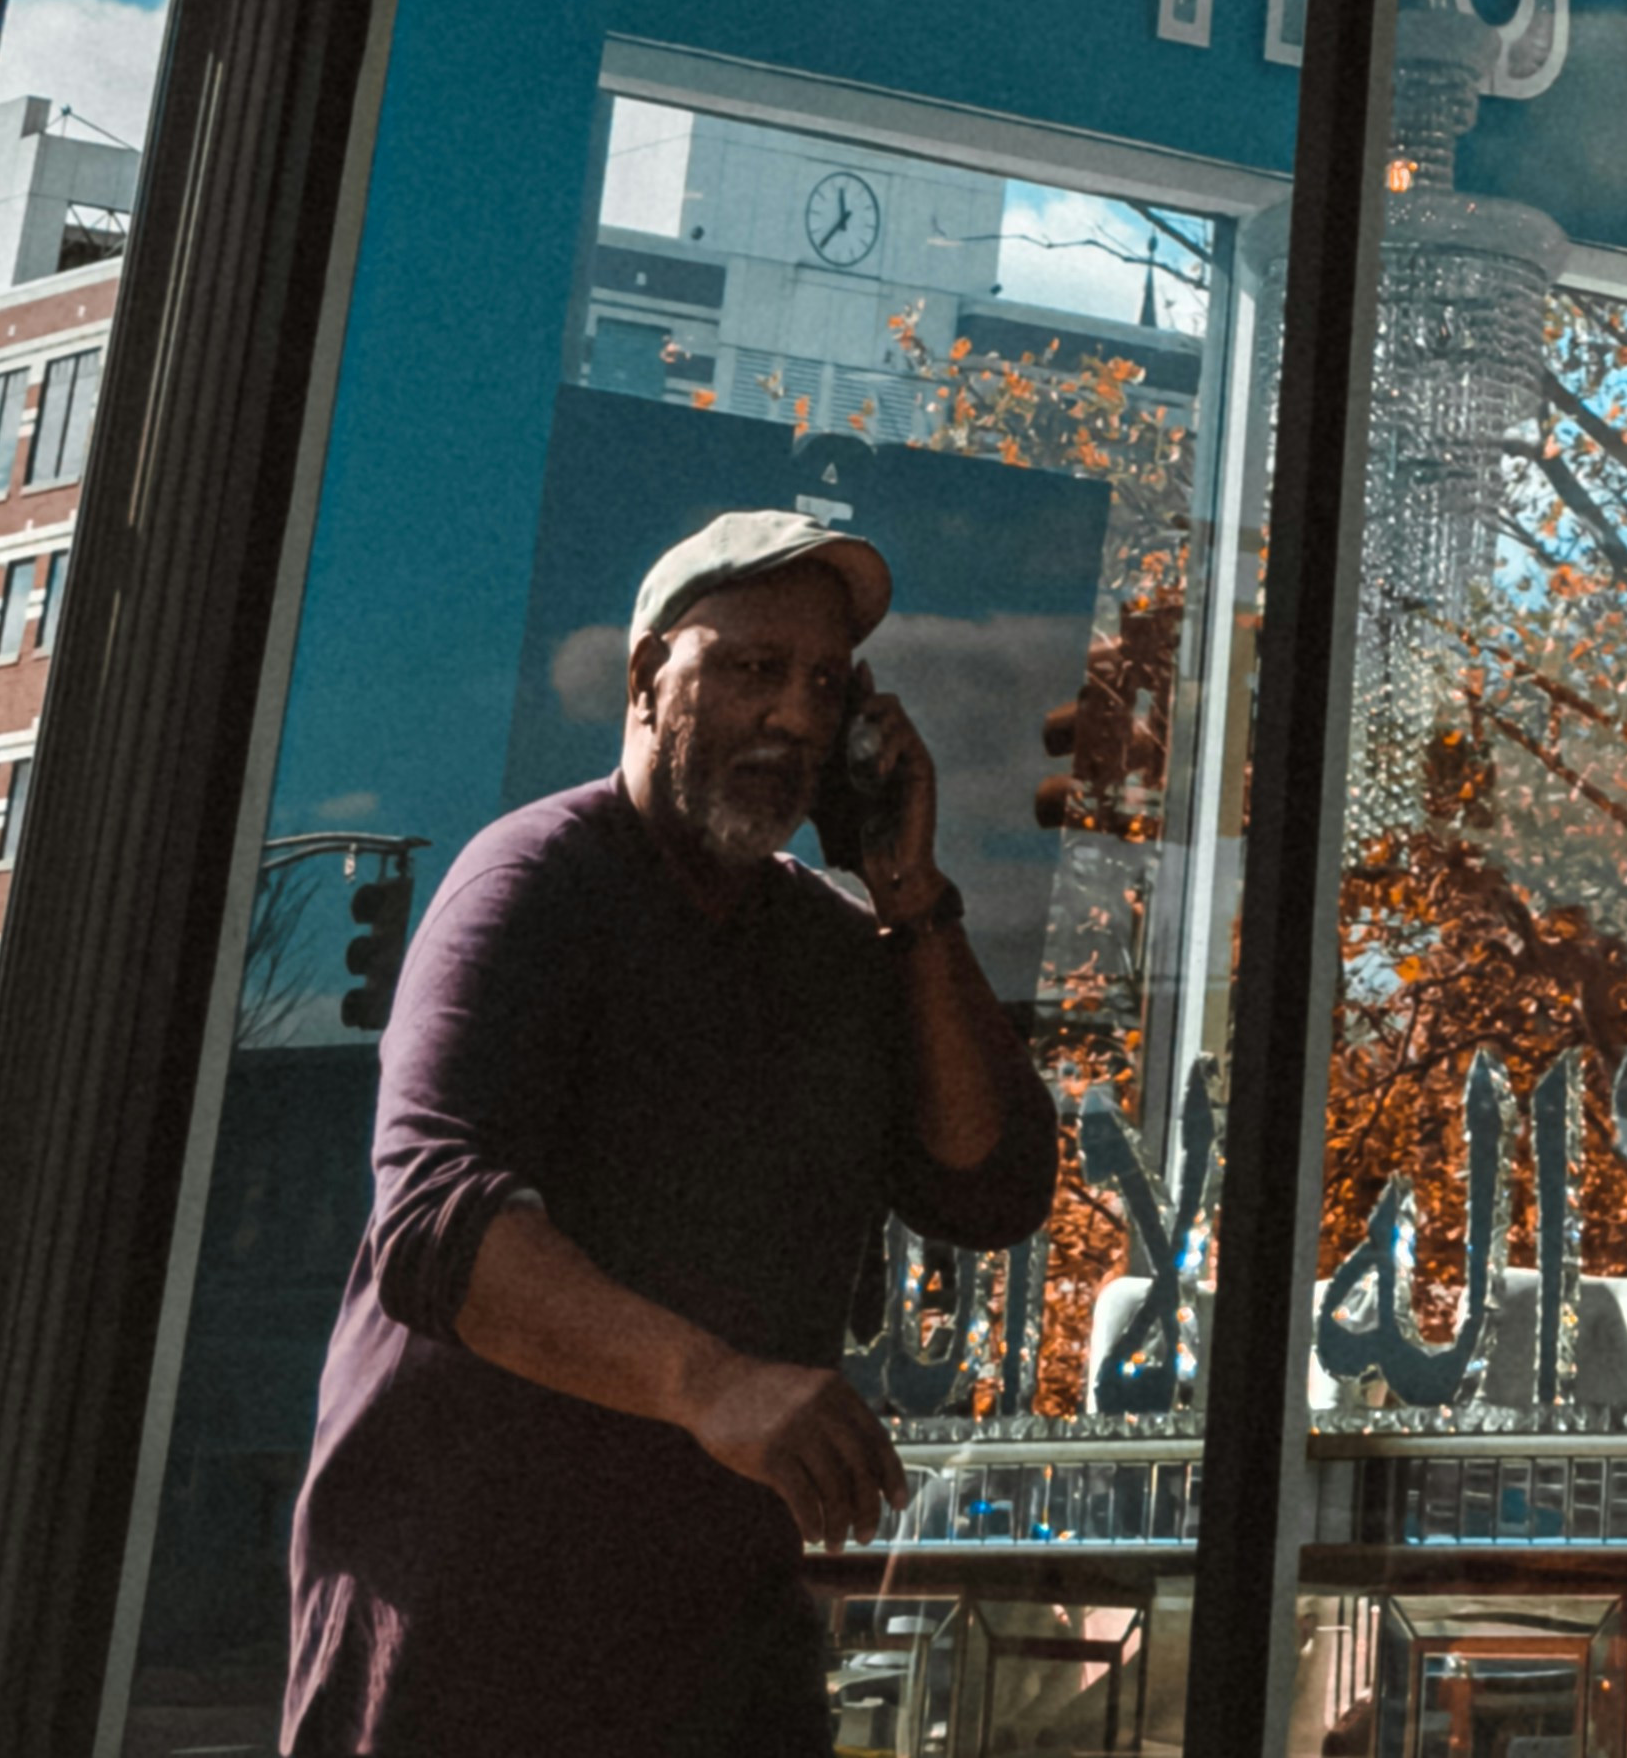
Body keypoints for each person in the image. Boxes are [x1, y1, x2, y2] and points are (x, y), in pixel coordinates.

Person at [283, 503, 1056, 1757]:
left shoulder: (832, 945)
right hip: (475, 1632)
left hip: (711, 1644)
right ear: (647, 680)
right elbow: (434, 1222)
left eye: (823, 684)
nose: (797, 718)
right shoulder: (531, 883)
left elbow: (992, 1185)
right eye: (752, 669)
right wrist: (713, 1384)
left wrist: (908, 893)